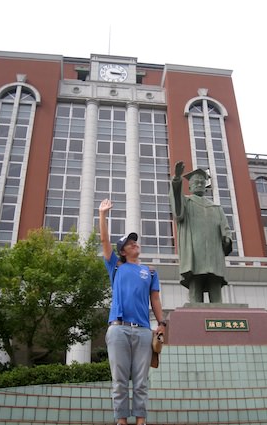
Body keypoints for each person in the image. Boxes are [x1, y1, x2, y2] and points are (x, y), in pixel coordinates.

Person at [99, 198, 166, 425]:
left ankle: (140, 421)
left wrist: (162, 323)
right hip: (118, 329)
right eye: (129, 243)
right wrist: (102, 215)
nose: (134, 244)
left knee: (141, 381)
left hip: (144, 331)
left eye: (135, 242)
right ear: (123, 251)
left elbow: (155, 298)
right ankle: (121, 422)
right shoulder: (115, 266)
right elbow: (104, 240)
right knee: (119, 380)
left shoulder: (150, 271)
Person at [169, 161, 232, 303]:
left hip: (214, 252)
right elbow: (177, 210)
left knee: (215, 284)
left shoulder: (216, 207)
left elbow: (226, 228)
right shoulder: (187, 202)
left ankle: (219, 316)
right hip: (194, 251)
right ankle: (194, 318)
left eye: (202, 182)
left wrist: (227, 238)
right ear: (189, 185)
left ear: (206, 186)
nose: (199, 184)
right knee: (195, 283)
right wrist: (177, 179)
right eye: (196, 181)